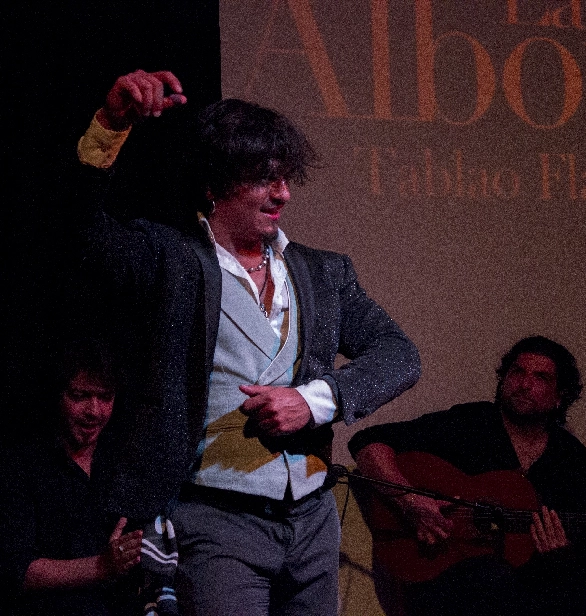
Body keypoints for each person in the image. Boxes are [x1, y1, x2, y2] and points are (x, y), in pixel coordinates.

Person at [71, 69, 421, 616]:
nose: (282, 192)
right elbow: (81, 232)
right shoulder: (175, 262)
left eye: (285, 177)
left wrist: (313, 400)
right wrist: (110, 127)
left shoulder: (322, 273)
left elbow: (399, 355)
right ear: (214, 184)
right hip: (215, 521)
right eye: (263, 178)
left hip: (311, 522)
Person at [349, 336, 586, 616]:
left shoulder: (571, 458)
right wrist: (410, 501)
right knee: (492, 576)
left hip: (533, 580)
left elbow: (578, 548)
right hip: (447, 575)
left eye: (540, 377)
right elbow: (367, 444)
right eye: (517, 372)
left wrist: (561, 552)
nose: (524, 384)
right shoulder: (470, 423)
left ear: (559, 397)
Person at [0, 341, 142, 616]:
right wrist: (101, 567)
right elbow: (18, 571)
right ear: (57, 394)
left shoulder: (121, 463)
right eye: (80, 396)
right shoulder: (22, 465)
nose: (95, 411)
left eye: (105, 397)